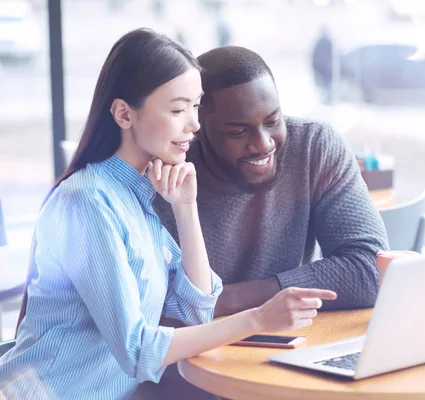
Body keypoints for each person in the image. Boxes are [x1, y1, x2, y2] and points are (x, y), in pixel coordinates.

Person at [0, 29, 335, 400]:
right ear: (124, 114)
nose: (193, 124)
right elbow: (139, 352)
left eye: (196, 107)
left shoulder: (138, 197)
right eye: (178, 109)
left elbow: (197, 310)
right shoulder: (87, 202)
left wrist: (185, 207)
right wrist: (257, 318)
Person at [154, 45, 388, 320]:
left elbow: (370, 270)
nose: (263, 144)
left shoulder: (314, 147)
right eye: (238, 132)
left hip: (288, 340)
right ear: (197, 128)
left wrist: (228, 300)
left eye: (272, 120)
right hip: (192, 351)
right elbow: (152, 304)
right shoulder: (165, 174)